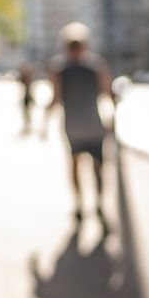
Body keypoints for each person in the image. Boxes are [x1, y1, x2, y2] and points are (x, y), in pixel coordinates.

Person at [44, 22, 114, 233]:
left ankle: (80, 205)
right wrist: (112, 121)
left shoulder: (59, 69)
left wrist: (43, 122)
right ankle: (99, 204)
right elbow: (108, 94)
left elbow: (55, 100)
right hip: (94, 124)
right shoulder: (97, 66)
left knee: (74, 165)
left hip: (73, 125)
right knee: (98, 167)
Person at [17, 62, 37, 135]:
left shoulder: (29, 79)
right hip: (26, 98)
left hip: (28, 97)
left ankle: (28, 127)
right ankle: (27, 127)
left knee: (28, 114)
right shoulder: (25, 79)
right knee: (26, 114)